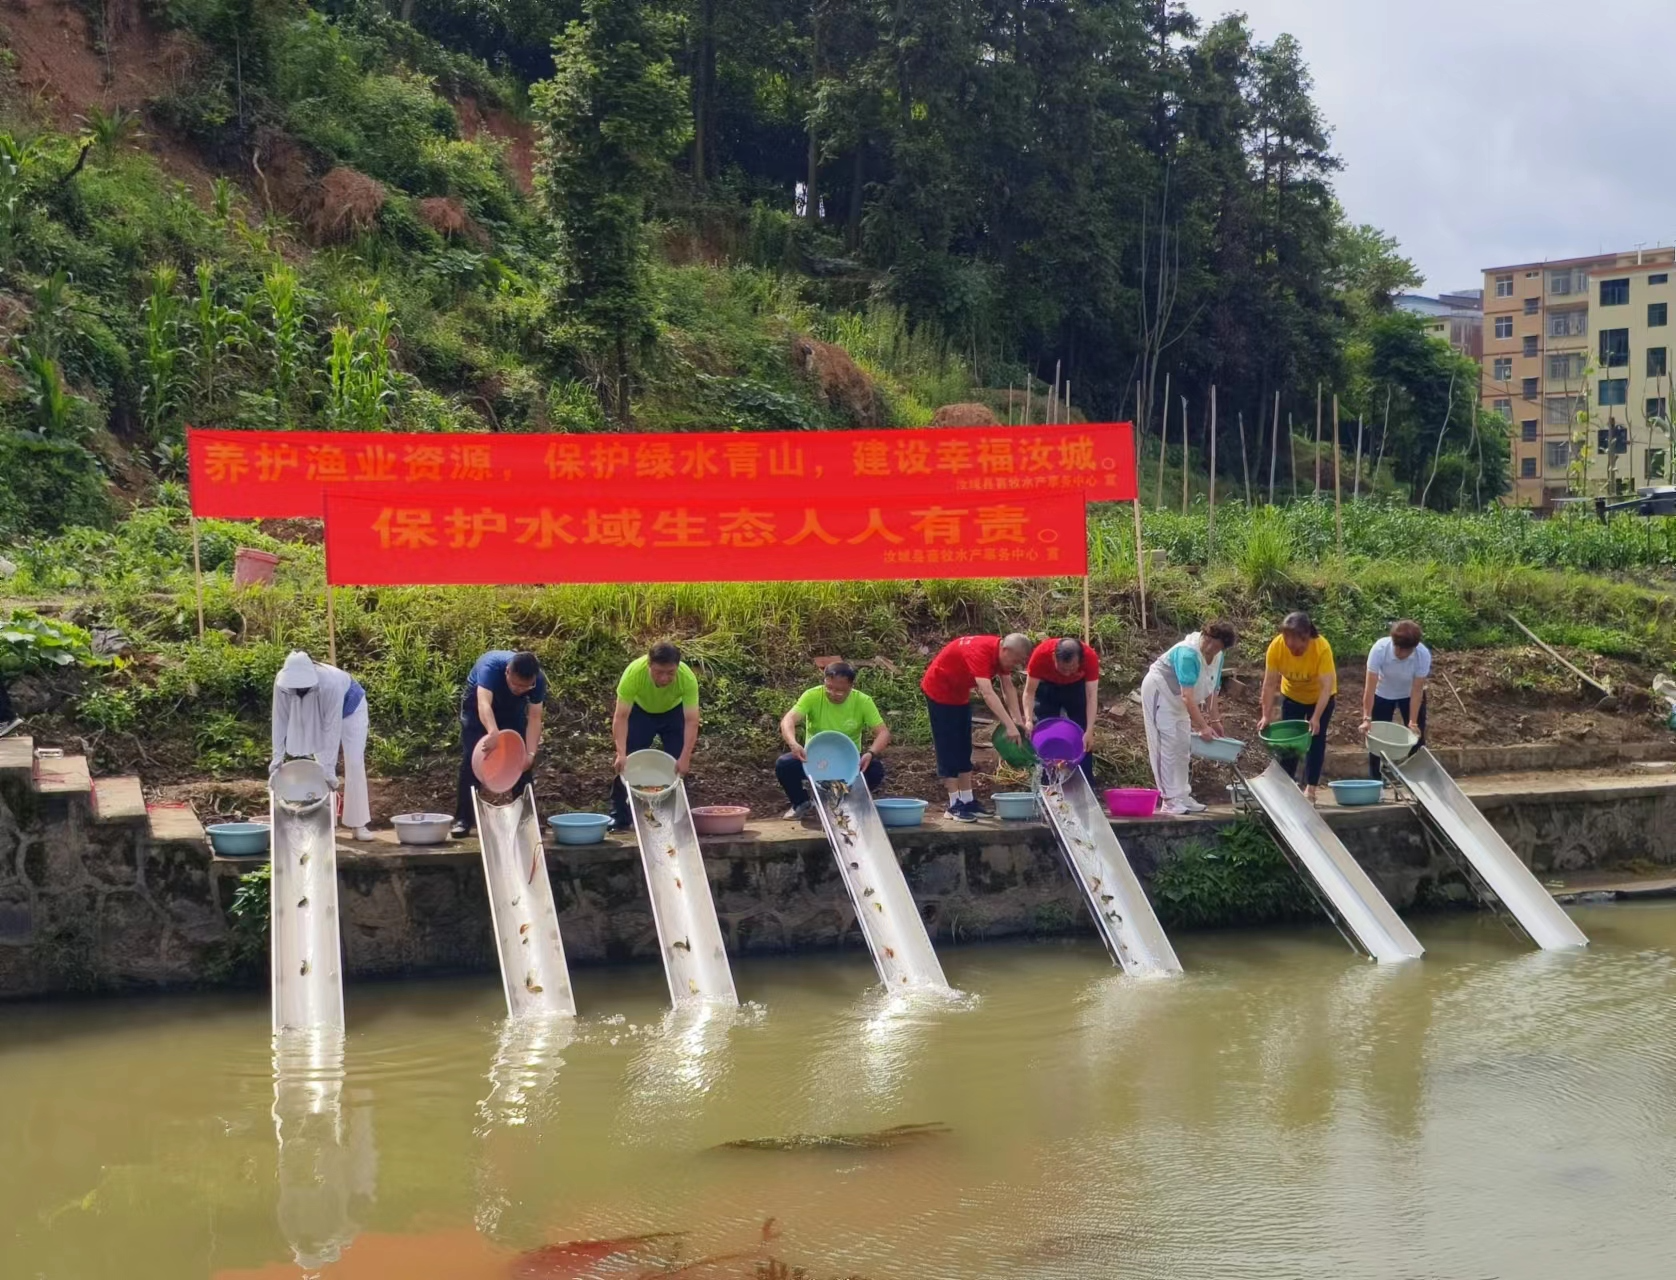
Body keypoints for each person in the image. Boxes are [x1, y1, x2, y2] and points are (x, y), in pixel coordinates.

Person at [919, 632, 1031, 823]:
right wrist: (1008, 725)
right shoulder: (980, 652)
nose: (1015, 666)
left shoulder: (1000, 656)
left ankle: (968, 799)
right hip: (939, 692)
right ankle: (954, 805)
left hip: (959, 694)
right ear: (1005, 650)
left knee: (964, 746)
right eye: (1015, 661)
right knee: (948, 747)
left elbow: (1008, 688)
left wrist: (1018, 720)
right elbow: (987, 693)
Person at [270, 650, 374, 841]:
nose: (298, 691)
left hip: (351, 708)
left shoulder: (330, 683)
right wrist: (277, 757)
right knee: (319, 766)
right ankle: (327, 822)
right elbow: (280, 719)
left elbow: (331, 729)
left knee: (354, 762)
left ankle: (358, 824)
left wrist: (329, 770)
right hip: (316, 709)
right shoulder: (282, 683)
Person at [1139, 624, 1237, 816]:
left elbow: (1211, 690)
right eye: (1208, 641)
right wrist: (1202, 726)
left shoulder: (1218, 657)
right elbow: (1187, 696)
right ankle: (1169, 800)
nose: (1210, 648)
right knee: (1166, 746)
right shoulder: (1188, 654)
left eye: (1217, 647)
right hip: (1162, 692)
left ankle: (1182, 795)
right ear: (1205, 636)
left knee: (1183, 747)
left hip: (1181, 702)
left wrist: (1215, 720)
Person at [776, 661, 891, 819]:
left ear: (851, 686)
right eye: (829, 687)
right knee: (784, 764)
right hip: (814, 759)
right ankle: (800, 803)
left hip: (848, 762)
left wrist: (871, 752)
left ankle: (846, 800)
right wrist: (793, 744)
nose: (833, 693)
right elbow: (788, 720)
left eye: (840, 690)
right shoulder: (813, 695)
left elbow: (883, 732)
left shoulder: (863, 701)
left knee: (875, 769)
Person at [451, 650, 546, 839]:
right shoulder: (491, 668)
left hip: (512, 710)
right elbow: (484, 704)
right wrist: (493, 732)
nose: (520, 689)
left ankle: (527, 818)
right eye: (516, 685)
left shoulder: (538, 681)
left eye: (526, 687)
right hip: (477, 708)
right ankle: (463, 819)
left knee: (521, 760)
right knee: (473, 758)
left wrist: (530, 754)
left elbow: (535, 717)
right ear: (507, 672)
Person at [610, 642, 700, 830]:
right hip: (641, 711)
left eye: (670, 673)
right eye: (659, 672)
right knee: (626, 762)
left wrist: (685, 756)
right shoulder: (634, 674)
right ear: (649, 665)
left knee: (678, 765)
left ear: (677, 667)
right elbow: (621, 717)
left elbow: (691, 720)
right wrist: (621, 752)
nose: (664, 678)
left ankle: (677, 817)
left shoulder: (687, 678)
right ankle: (620, 816)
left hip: (673, 711)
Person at [1258, 611, 1336, 803]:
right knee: (1289, 742)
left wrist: (1316, 717)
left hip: (1320, 698)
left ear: (1307, 637)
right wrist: (1266, 715)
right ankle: (1286, 786)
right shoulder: (1276, 647)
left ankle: (1311, 788)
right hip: (1292, 695)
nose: (1293, 651)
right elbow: (1269, 684)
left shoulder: (1321, 648)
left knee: (1315, 739)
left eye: (1298, 648)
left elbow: (1326, 688)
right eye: (1289, 646)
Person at [1023, 636, 1101, 784]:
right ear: (1054, 657)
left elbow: (1091, 696)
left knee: (1083, 735)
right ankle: (1047, 783)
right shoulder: (1040, 655)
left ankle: (1084, 783)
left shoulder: (1089, 657)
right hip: (1047, 687)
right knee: (1045, 731)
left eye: (1072, 668)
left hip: (1076, 688)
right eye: (1063, 668)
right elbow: (1029, 692)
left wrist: (1090, 730)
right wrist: (1028, 720)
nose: (1066, 673)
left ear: (1080, 661)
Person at [1360, 620, 1431, 779]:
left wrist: (1412, 722)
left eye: (1405, 650)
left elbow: (1417, 690)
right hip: (1383, 693)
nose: (1399, 653)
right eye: (1397, 648)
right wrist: (1366, 717)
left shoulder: (1422, 655)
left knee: (1416, 738)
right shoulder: (1379, 649)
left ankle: (1416, 780)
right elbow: (1370, 688)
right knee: (1375, 737)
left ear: (1413, 648)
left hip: (1409, 695)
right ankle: (1376, 782)